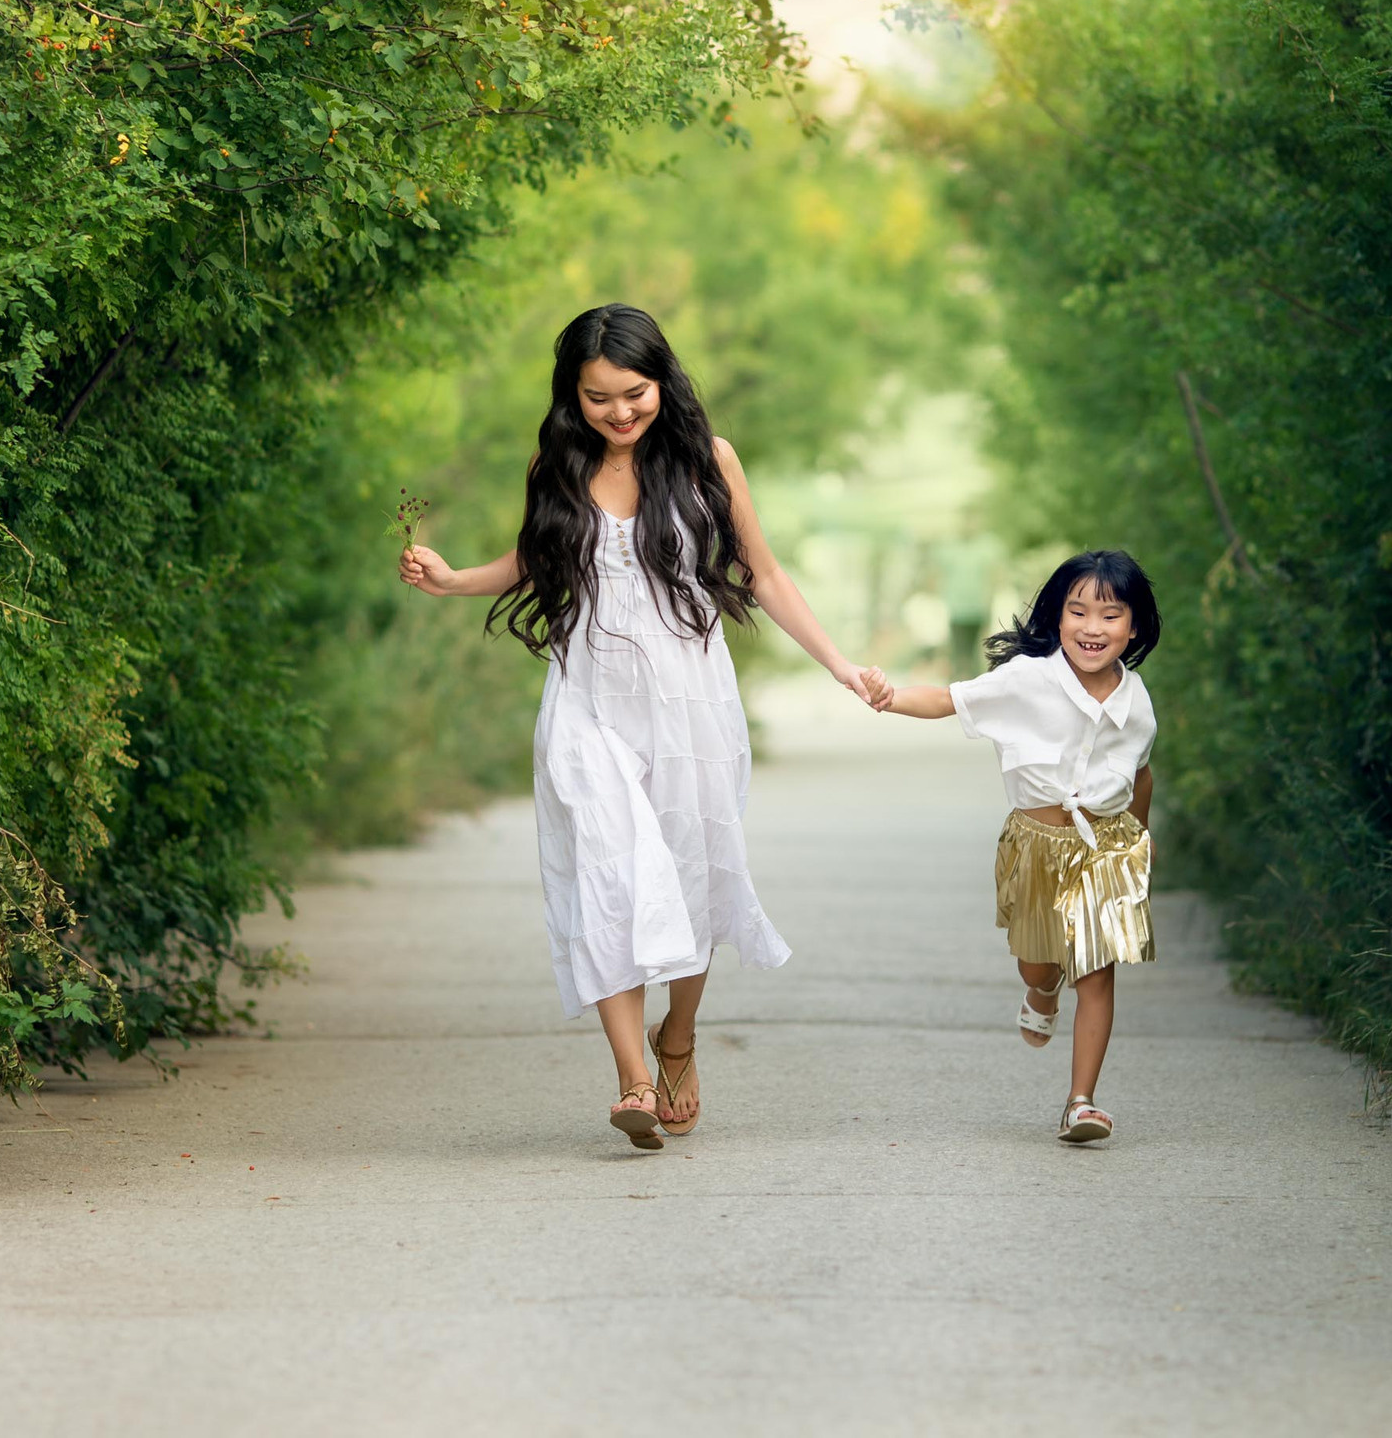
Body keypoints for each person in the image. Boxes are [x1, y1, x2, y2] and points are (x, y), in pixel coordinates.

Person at [399, 304, 878, 1149]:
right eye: (597, 398)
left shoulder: (707, 461)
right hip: (588, 701)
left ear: (662, 380)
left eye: (634, 392)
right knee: (607, 876)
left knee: (693, 878)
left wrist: (838, 664)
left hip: (692, 705)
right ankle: (631, 1079)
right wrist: (451, 578)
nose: (619, 412)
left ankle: (677, 1039)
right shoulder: (557, 463)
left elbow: (763, 574)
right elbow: (534, 558)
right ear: (571, 397)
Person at [862, 551, 1161, 1143]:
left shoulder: (1137, 702)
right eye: (1078, 612)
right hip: (1036, 845)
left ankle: (1081, 1101)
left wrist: (1140, 849)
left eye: (1110, 615)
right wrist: (887, 695)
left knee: (1096, 973)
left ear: (1134, 627)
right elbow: (950, 699)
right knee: (1038, 956)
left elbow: (1141, 775)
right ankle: (1040, 987)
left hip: (1104, 849)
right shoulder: (1030, 679)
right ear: (1057, 616)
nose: (1092, 628)